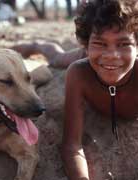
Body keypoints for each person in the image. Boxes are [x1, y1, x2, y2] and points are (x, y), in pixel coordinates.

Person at [61, 0, 138, 180]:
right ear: (86, 45)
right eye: (100, 43)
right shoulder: (79, 73)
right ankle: (35, 46)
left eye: (123, 44)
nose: (112, 55)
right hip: (86, 60)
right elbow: (71, 146)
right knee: (57, 58)